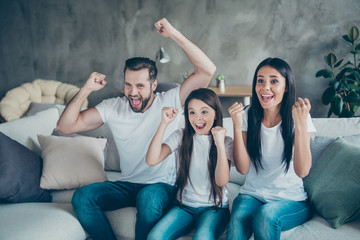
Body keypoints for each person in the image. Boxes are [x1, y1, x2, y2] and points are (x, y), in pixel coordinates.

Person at [56, 18, 216, 240]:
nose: (133, 92)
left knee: (149, 199)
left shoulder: (171, 99)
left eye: (140, 86)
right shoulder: (113, 107)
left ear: (153, 85)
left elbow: (207, 70)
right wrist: (86, 90)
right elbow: (65, 126)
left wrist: (174, 34)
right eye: (128, 84)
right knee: (82, 197)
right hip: (126, 185)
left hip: (162, 186)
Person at [226, 58, 316, 240]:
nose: (265, 87)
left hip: (291, 199)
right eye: (260, 80)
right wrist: (236, 126)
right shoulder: (248, 115)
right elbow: (243, 169)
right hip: (252, 193)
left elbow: (302, 170)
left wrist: (299, 124)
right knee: (237, 219)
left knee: (265, 216)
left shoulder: (300, 117)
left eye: (274, 81)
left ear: (287, 86)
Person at [146, 88, 233, 240]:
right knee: (155, 237)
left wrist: (219, 143)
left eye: (204, 112)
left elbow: (222, 181)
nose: (197, 118)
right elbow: (152, 160)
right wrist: (164, 123)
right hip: (184, 206)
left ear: (216, 114)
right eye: (192, 112)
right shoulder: (181, 136)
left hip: (215, 209)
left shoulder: (226, 142)